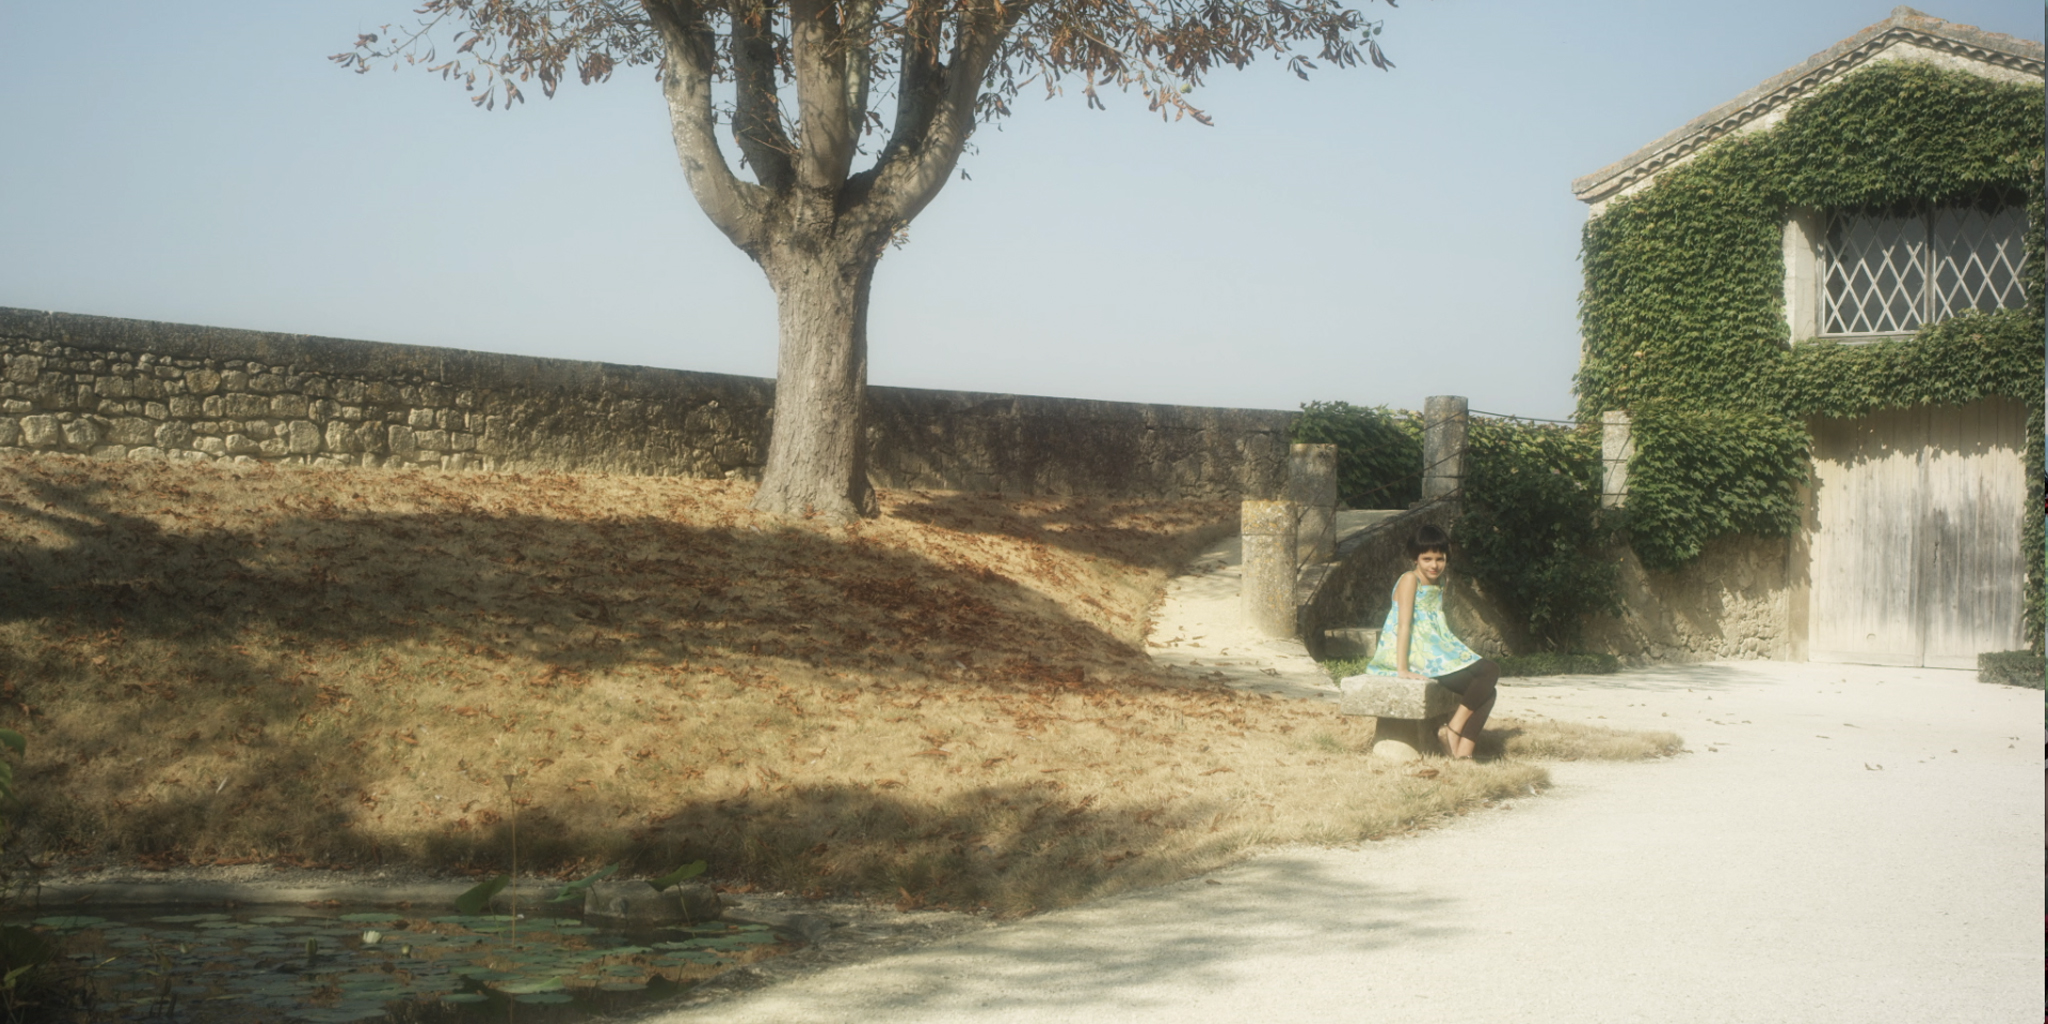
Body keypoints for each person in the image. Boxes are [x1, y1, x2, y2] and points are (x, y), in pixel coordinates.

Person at [1362, 524, 1501, 759]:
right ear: (1415, 559)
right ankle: (1453, 730)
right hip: (1416, 652)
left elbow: (1435, 622)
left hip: (1435, 649)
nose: (1434, 565)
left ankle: (1463, 753)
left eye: (1440, 559)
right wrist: (1403, 669)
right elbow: (1403, 625)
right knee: (1490, 670)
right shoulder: (1410, 580)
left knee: (1488, 691)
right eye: (1427, 559)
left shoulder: (1440, 582)